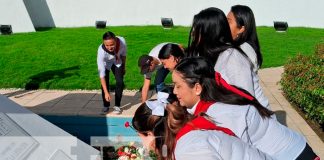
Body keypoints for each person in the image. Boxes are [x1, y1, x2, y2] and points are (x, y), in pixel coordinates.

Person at [172, 56, 319, 160]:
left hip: (292, 155)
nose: (174, 92)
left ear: (197, 88)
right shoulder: (217, 99)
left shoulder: (220, 114)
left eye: (178, 86)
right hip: (293, 148)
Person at [132, 90, 273, 160]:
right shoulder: (191, 129)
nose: (143, 144)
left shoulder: (191, 147)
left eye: (141, 137)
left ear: (150, 134)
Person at [187, 7, 270, 109]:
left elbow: (244, 100)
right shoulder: (215, 53)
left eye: (228, 21)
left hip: (253, 116)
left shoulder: (234, 56)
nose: (192, 34)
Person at [97, 31, 126, 114]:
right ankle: (106, 105)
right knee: (105, 84)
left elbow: (123, 55)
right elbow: (101, 74)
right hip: (106, 64)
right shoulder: (101, 52)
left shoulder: (122, 42)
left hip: (117, 62)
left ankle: (117, 105)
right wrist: (106, 93)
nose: (109, 47)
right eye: (107, 45)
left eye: (112, 44)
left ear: (116, 41)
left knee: (120, 82)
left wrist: (123, 67)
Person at [227, 4, 263, 72]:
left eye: (228, 21)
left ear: (241, 29)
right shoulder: (240, 47)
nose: (224, 24)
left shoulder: (243, 50)